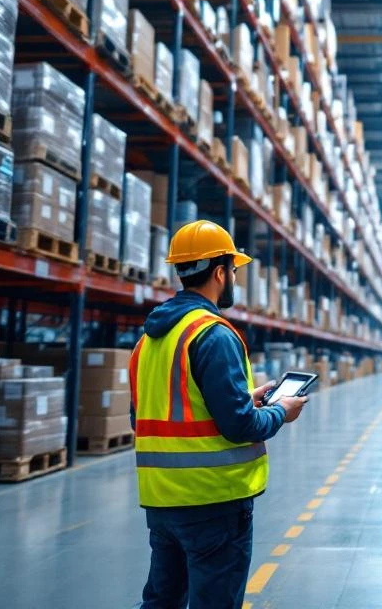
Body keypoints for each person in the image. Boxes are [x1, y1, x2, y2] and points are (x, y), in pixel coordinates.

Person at [129, 220, 307, 608]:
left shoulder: (149, 340)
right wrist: (280, 411)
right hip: (213, 502)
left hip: (161, 502)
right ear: (220, 272)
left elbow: (145, 417)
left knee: (162, 601)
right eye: (235, 271)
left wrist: (246, 398)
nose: (235, 279)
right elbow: (239, 426)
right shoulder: (214, 334)